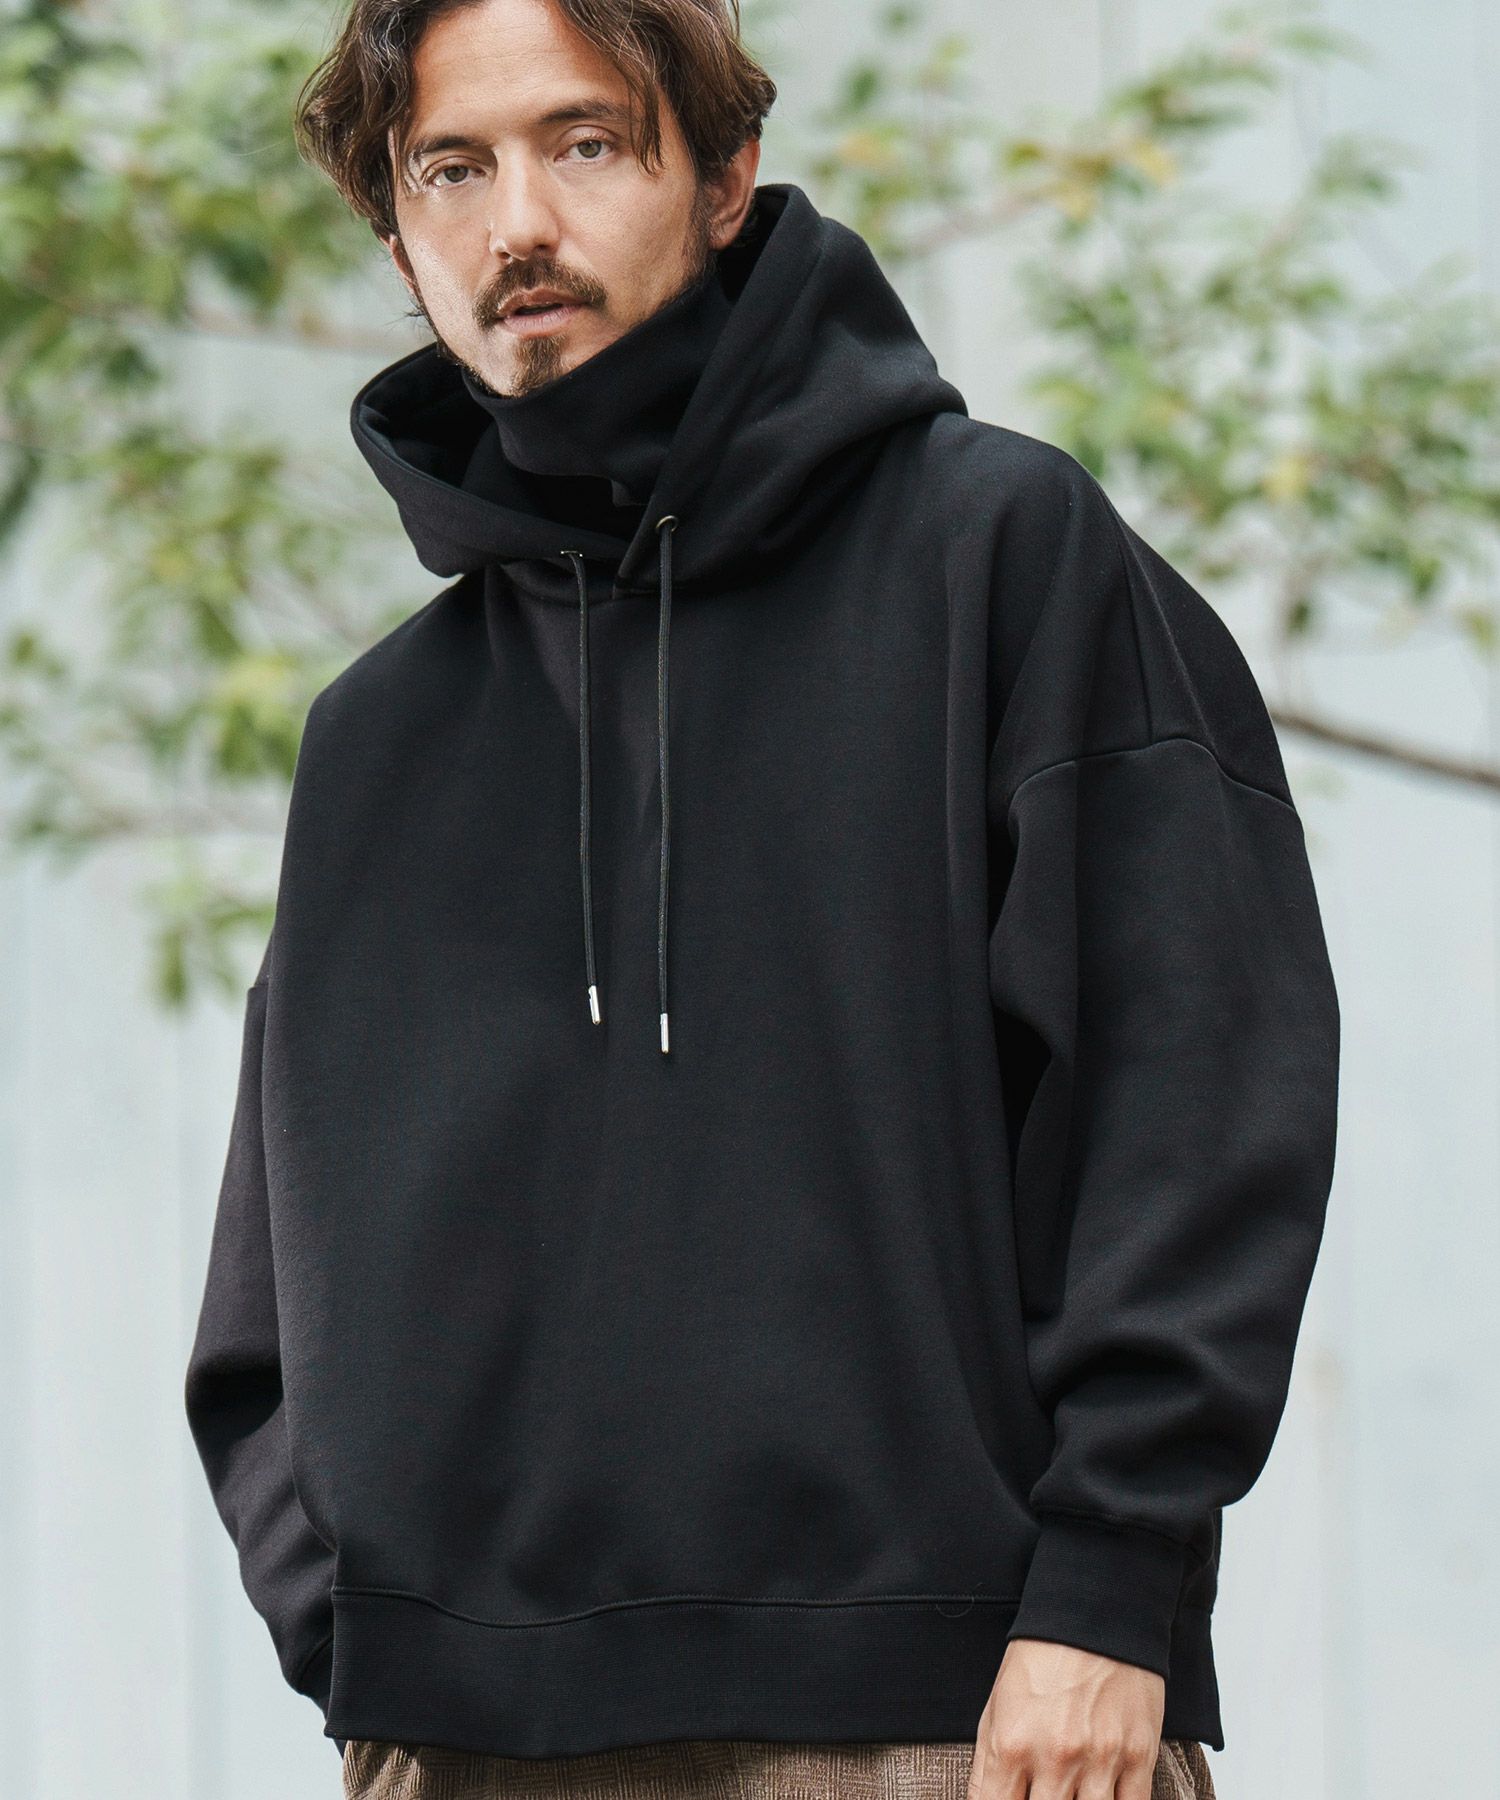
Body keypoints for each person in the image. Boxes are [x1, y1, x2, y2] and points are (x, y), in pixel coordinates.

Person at [182, 1, 1341, 1796]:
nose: (517, 224)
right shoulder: (376, 736)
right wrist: (360, 1637)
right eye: (450, 170)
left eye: (584, 142)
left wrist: (1111, 1592)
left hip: (961, 1715)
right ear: (400, 241)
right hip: (474, 1745)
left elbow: (1191, 1091)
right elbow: (274, 1280)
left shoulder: (1001, 558)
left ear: (724, 177)